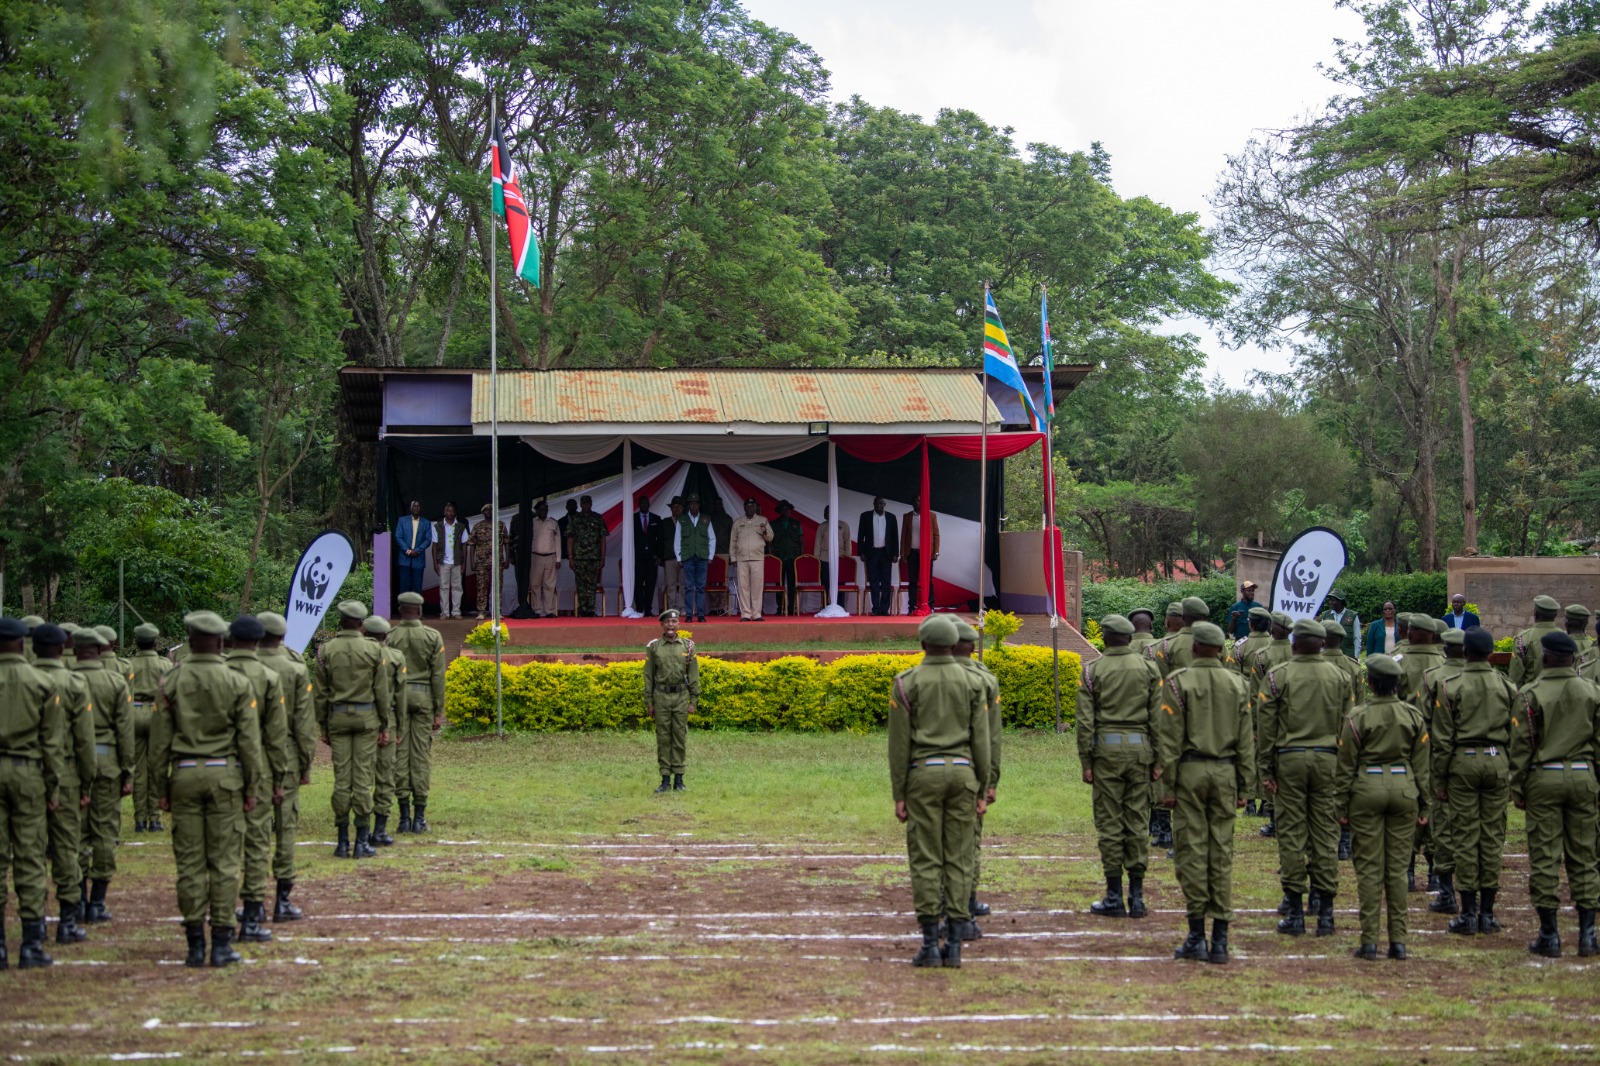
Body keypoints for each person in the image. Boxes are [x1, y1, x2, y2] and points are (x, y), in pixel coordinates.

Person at [151, 610, 266, 967]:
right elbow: (249, 742)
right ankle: (220, 942)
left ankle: (194, 945)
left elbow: (158, 744)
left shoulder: (171, 680)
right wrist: (252, 786)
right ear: (220, 641)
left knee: (189, 863)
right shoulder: (235, 682)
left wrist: (161, 788)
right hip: (226, 776)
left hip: (183, 774)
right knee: (225, 861)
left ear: (189, 640)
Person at [889, 614, 989, 969]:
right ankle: (957, 944)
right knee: (960, 856)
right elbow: (982, 739)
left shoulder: (906, 683)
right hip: (964, 774)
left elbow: (899, 745)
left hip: (922, 775)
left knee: (927, 857)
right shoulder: (974, 681)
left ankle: (931, 943)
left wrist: (898, 793)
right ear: (955, 645)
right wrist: (984, 787)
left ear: (922, 645)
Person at [1156, 621, 1254, 965]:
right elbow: (1246, 739)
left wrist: (1166, 786)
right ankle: (1221, 940)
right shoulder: (1238, 684)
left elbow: (1169, 739)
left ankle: (1197, 934)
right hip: (1226, 772)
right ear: (1221, 650)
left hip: (1190, 772)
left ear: (1195, 647)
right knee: (1222, 852)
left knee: (1191, 851)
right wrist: (1245, 786)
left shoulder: (1178, 683)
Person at [1259, 619, 1353, 938]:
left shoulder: (1278, 677)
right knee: (1325, 834)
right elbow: (1347, 727)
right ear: (1323, 643)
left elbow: (1266, 730)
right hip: (1329, 760)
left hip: (1290, 760)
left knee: (1291, 833)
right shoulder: (1341, 677)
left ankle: (1295, 910)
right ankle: (1325, 911)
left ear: (1295, 643)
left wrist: (1266, 771)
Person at [1335, 653, 1431, 961]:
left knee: (1369, 868)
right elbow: (1422, 766)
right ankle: (1398, 941)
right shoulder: (1413, 716)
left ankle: (1369, 941)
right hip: (1404, 790)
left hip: (1367, 789)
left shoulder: (1357, 717)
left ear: (1371, 682)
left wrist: (1341, 805)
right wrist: (1425, 804)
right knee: (1398, 868)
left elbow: (1346, 765)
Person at [1511, 630, 1600, 958]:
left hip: (1544, 779)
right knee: (1584, 855)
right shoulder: (1592, 692)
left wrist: (1517, 786)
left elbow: (1522, 745)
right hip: (1583, 777)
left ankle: (1549, 934)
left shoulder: (1530, 694)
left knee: (1545, 856)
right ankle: (1588, 935)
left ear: (1546, 656)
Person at [1432, 626, 1515, 935]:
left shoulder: (1450, 685)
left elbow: (1442, 740)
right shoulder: (1507, 686)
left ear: (1464, 652)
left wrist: (1438, 782)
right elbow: (1516, 734)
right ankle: (1487, 913)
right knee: (1492, 837)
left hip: (1463, 762)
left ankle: (1468, 913)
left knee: (1465, 836)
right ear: (1491, 653)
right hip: (1497, 762)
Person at [1078, 614, 1161, 920]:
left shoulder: (1092, 671)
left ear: (1105, 639)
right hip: (1140, 752)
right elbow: (1158, 719)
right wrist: (1159, 760)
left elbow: (1085, 722)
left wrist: (1086, 761)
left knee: (1110, 823)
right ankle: (1137, 897)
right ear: (1129, 639)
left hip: (1106, 754)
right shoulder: (1149, 668)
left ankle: (1114, 895)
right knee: (1138, 821)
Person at [2, 617, 67, 969]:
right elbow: (52, 743)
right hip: (28, 772)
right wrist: (52, 786)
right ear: (21, 643)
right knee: (29, 857)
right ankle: (30, 943)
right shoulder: (41, 682)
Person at [224, 615, 290, 944]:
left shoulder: (216, 674)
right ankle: (252, 914)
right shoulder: (272, 674)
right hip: (259, 764)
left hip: (215, 764)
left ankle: (219, 916)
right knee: (256, 839)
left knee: (219, 844)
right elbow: (277, 735)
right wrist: (280, 777)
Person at [314, 601, 392, 860]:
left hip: (337, 719)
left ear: (342, 621)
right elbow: (381, 691)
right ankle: (361, 840)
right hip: (366, 719)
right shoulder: (372, 650)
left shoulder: (326, 650)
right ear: (361, 624)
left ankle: (341, 841)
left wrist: (323, 726)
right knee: (362, 778)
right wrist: (384, 724)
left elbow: (321, 693)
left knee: (341, 779)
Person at [31, 623, 93, 946]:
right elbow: (84, 741)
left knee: (28, 852)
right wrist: (87, 784)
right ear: (62, 648)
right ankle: (67, 920)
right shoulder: (72, 683)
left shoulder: (28, 679)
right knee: (67, 847)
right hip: (66, 775)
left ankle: (34, 924)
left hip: (26, 772)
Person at [69, 626, 133, 924]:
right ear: (100, 648)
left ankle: (78, 900)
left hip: (70, 764)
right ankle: (97, 903)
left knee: (75, 833)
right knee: (105, 831)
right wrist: (128, 771)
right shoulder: (115, 681)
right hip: (107, 763)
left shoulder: (65, 680)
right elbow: (125, 730)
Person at [256, 611, 315, 922]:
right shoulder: (294, 668)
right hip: (288, 755)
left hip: (248, 756)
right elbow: (304, 724)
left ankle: (252, 900)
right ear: (281, 636)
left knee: (253, 828)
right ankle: (281, 899)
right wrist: (305, 762)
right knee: (286, 826)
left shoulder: (242, 667)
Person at [953, 619, 1000, 927]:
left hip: (926, 774)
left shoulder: (915, 678)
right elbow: (990, 737)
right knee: (969, 839)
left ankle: (945, 903)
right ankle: (967, 900)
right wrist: (990, 780)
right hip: (970, 772)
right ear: (972, 647)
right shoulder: (984, 679)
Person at [387, 592, 445, 834]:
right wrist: (438, 710)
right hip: (423, 698)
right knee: (420, 754)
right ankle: (419, 817)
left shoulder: (390, 637)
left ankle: (403, 817)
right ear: (419, 611)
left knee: (400, 754)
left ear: (400, 610)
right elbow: (438, 676)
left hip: (396, 699)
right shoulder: (432, 636)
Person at [361, 615, 407, 848]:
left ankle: (361, 830)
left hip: (361, 718)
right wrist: (399, 725)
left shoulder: (354, 654)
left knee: (360, 776)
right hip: (387, 718)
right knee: (385, 774)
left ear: (364, 633)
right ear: (385, 636)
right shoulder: (395, 657)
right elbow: (399, 696)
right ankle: (379, 829)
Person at [643, 609, 698, 794]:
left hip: (681, 696)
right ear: (662, 625)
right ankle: (665, 779)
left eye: (674, 623)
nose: (671, 626)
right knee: (664, 738)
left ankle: (679, 779)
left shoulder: (688, 647)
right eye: (667, 622)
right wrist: (649, 702)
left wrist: (694, 700)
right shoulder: (654, 647)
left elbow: (693, 675)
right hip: (661, 697)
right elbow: (648, 676)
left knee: (680, 737)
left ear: (679, 625)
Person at [127, 623, 172, 833]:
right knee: (156, 767)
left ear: (137, 642)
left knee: (138, 768)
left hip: (133, 713)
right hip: (156, 713)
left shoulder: (128, 664)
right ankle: (155, 819)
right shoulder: (165, 665)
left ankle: (139, 819)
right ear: (155, 642)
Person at [729, 498, 774, 622]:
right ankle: (745, 614)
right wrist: (733, 557)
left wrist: (764, 530)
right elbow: (733, 541)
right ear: (744, 508)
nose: (750, 508)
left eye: (752, 506)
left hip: (757, 558)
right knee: (743, 586)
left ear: (755, 507)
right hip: (742, 558)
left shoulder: (762, 520)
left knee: (757, 586)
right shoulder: (738, 522)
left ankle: (757, 613)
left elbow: (770, 538)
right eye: (748, 506)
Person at [674, 494, 715, 623]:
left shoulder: (706, 519)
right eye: (691, 503)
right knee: (689, 587)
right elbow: (677, 539)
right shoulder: (682, 520)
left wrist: (710, 555)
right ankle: (689, 614)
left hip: (702, 556)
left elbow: (712, 538)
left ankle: (701, 614)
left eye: (696, 503)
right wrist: (679, 556)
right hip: (688, 556)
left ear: (699, 505)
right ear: (688, 506)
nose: (694, 505)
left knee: (701, 586)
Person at [568, 495, 609, 619]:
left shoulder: (598, 518)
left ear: (591, 504)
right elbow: (570, 538)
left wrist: (602, 558)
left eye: (588, 503)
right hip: (579, 558)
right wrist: (570, 557)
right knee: (580, 584)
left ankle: (590, 609)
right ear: (580, 505)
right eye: (584, 503)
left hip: (593, 557)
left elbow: (603, 539)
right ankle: (582, 609)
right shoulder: (575, 519)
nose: (586, 506)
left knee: (591, 584)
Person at [858, 496, 900, 617]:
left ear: (885, 505)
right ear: (874, 504)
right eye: (877, 504)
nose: (879, 506)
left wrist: (896, 554)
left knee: (886, 581)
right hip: (872, 553)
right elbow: (861, 535)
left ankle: (884, 609)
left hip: (886, 554)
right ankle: (875, 608)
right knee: (873, 581)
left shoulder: (891, 517)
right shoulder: (865, 516)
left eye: (882, 504)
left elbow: (895, 537)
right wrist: (861, 552)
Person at [900, 494, 941, 614]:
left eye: (920, 501)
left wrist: (936, 551)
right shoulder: (907, 516)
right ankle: (911, 606)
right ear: (912, 503)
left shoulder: (931, 516)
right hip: (912, 552)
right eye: (916, 501)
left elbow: (936, 535)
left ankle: (930, 605)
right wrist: (903, 552)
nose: (919, 503)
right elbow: (904, 535)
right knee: (912, 581)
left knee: (928, 580)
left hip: (926, 554)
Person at [1510, 595, 1563, 687]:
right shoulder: (1566, 638)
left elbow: (1515, 676)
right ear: (1555, 615)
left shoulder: (1522, 639)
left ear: (1535, 614)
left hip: (1531, 696)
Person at [468, 504, 509, 621]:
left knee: (497, 586)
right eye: (486, 511)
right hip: (481, 562)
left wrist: (507, 559)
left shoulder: (501, 526)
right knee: (481, 586)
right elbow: (472, 545)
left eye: (491, 510)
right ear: (482, 513)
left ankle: (497, 611)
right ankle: (481, 611)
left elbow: (506, 542)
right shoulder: (477, 527)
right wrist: (472, 562)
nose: (488, 512)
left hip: (497, 561)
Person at [527, 500, 562, 618]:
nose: (544, 512)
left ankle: (549, 610)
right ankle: (536, 610)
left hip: (550, 557)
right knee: (535, 584)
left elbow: (558, 541)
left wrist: (558, 559)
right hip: (535, 556)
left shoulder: (553, 523)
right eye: (541, 510)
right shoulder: (531, 523)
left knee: (549, 584)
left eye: (545, 510)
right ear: (536, 511)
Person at [433, 502, 468, 619]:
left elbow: (464, 546)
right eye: (447, 510)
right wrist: (435, 563)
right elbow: (434, 546)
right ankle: (444, 613)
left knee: (457, 587)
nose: (450, 512)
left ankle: (456, 612)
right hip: (443, 562)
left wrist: (464, 564)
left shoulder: (461, 527)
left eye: (452, 511)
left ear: (455, 513)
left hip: (457, 562)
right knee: (444, 587)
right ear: (444, 512)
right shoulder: (437, 527)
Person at [630, 495, 664, 617]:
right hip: (637, 558)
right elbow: (629, 539)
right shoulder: (632, 519)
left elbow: (661, 539)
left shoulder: (656, 518)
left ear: (649, 505)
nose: (644, 505)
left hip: (652, 558)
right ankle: (639, 608)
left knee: (650, 584)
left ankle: (648, 609)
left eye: (646, 503)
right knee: (637, 583)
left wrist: (659, 556)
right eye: (642, 503)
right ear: (638, 505)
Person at [393, 499, 434, 596]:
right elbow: (398, 536)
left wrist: (417, 551)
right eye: (414, 506)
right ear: (410, 508)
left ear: (421, 509)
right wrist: (407, 551)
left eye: (418, 506)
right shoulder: (402, 520)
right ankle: (404, 609)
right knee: (404, 586)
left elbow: (428, 540)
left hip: (418, 558)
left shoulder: (426, 523)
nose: (416, 508)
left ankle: (416, 610)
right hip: (404, 558)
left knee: (417, 587)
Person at [770, 501, 804, 615]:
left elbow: (801, 542)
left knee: (791, 584)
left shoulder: (796, 523)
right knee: (779, 585)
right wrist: (771, 557)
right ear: (779, 511)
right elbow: (770, 543)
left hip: (792, 558)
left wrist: (800, 558)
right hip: (778, 558)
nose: (785, 512)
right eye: (783, 509)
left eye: (787, 509)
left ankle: (790, 608)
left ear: (790, 511)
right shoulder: (773, 524)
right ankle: (780, 608)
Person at [813, 504, 851, 605]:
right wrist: (817, 559)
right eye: (825, 512)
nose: (825, 514)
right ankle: (826, 605)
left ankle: (840, 605)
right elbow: (817, 543)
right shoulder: (822, 526)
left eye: (827, 511)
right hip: (825, 558)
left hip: (840, 558)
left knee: (840, 584)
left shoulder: (843, 525)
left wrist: (847, 558)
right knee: (826, 583)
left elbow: (847, 542)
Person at [709, 498, 735, 615]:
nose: (717, 505)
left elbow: (732, 538)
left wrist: (731, 555)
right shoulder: (708, 518)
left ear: (722, 505)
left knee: (723, 582)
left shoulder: (728, 519)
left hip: (724, 552)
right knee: (711, 582)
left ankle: (722, 607)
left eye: (719, 503)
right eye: (715, 504)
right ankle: (713, 608)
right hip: (711, 553)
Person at [1319, 589, 1361, 659]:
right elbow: (1321, 637)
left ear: (1340, 601)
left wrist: (1356, 656)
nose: (1330, 602)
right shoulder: (1326, 615)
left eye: (1332, 600)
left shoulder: (1352, 615)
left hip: (1347, 656)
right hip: (1328, 656)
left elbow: (1357, 637)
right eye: (1329, 600)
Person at [662, 498, 686, 614]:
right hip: (670, 558)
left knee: (683, 585)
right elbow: (660, 541)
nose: (676, 508)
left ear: (683, 508)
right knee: (670, 585)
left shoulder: (687, 522)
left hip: (684, 558)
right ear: (671, 509)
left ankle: (682, 607)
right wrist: (661, 557)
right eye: (674, 506)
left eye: (679, 506)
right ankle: (672, 608)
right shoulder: (665, 522)